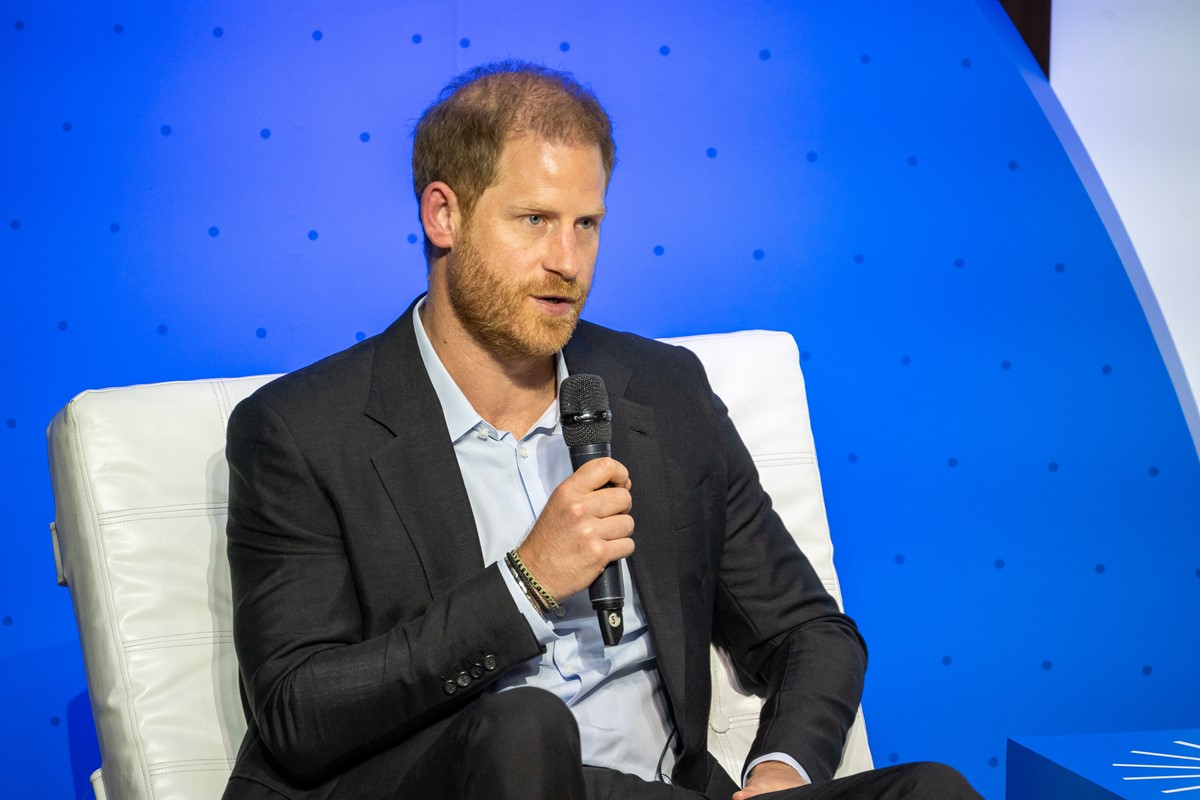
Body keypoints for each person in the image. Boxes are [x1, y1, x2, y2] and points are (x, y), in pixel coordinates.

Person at [222, 61, 981, 800]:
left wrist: (779, 770)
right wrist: (526, 583)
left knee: (932, 790)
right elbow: (298, 709)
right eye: (535, 221)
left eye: (587, 225)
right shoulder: (302, 430)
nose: (567, 261)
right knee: (527, 727)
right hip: (482, 778)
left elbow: (809, 633)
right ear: (442, 215)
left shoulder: (661, 392)